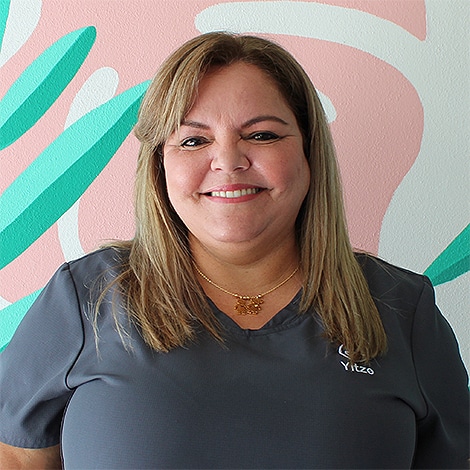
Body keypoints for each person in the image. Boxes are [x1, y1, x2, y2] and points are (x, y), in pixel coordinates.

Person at [0, 32, 468, 469]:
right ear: (159, 165)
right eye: (193, 140)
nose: (228, 161)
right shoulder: (86, 298)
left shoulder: (402, 309)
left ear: (309, 152)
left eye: (262, 135)